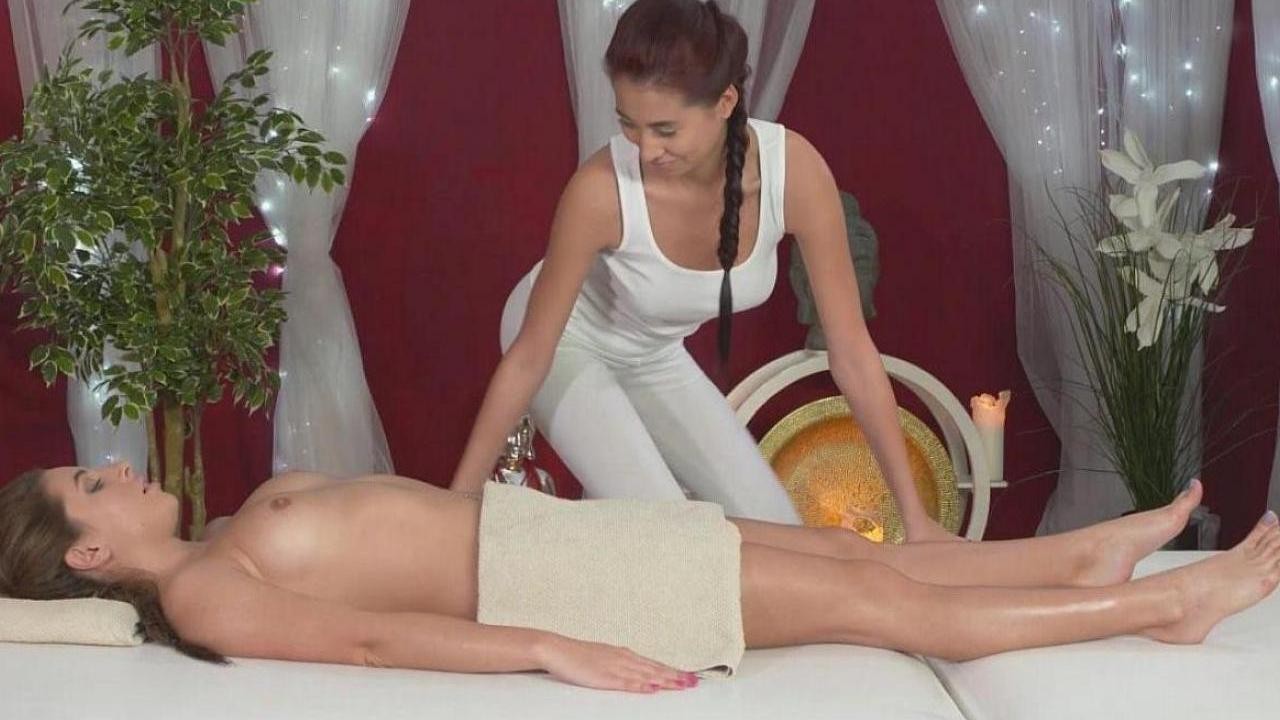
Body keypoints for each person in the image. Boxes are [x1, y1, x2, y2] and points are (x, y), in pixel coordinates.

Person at [2, 462, 1278, 693]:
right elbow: (369, 644)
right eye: (93, 485)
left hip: (562, 537)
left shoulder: (228, 529)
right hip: (562, 583)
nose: (118, 468)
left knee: (847, 553)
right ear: (89, 554)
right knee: (890, 609)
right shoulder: (204, 590)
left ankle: (1080, 552)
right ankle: (1168, 602)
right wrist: (546, 646)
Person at [448, 0, 954, 541]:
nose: (646, 149)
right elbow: (530, 355)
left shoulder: (794, 173)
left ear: (725, 102)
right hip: (564, 340)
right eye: (629, 124)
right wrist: (459, 500)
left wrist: (916, 519)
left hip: (654, 353)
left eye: (665, 129)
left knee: (783, 534)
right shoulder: (599, 191)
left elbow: (851, 350)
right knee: (678, 536)